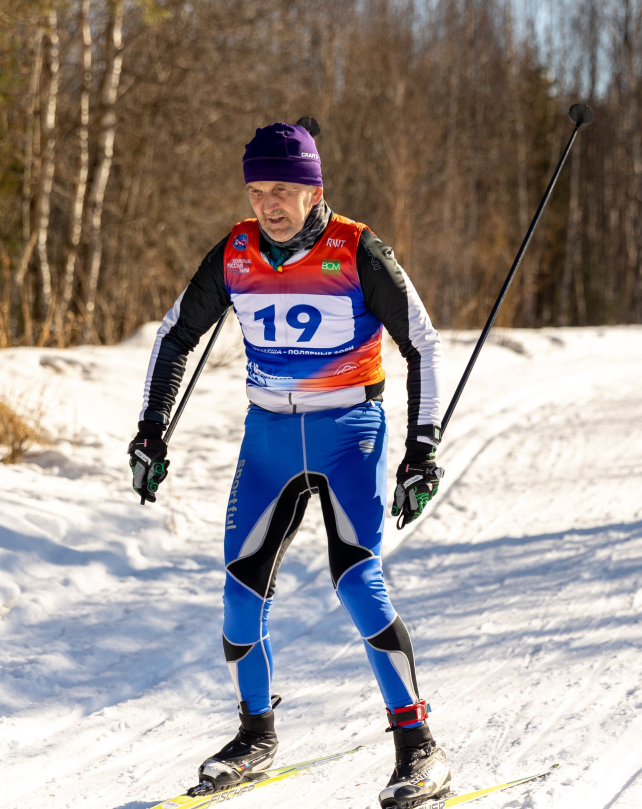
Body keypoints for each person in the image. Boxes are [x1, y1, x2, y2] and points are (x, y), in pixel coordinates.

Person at [128, 118, 449, 809]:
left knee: (360, 583)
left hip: (347, 432)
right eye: (256, 190)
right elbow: (176, 334)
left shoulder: (358, 250)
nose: (267, 204)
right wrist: (151, 429)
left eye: (282, 190)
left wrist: (422, 447)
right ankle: (255, 734)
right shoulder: (236, 252)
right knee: (240, 594)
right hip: (268, 437)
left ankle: (419, 747)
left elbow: (422, 340)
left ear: (314, 188)